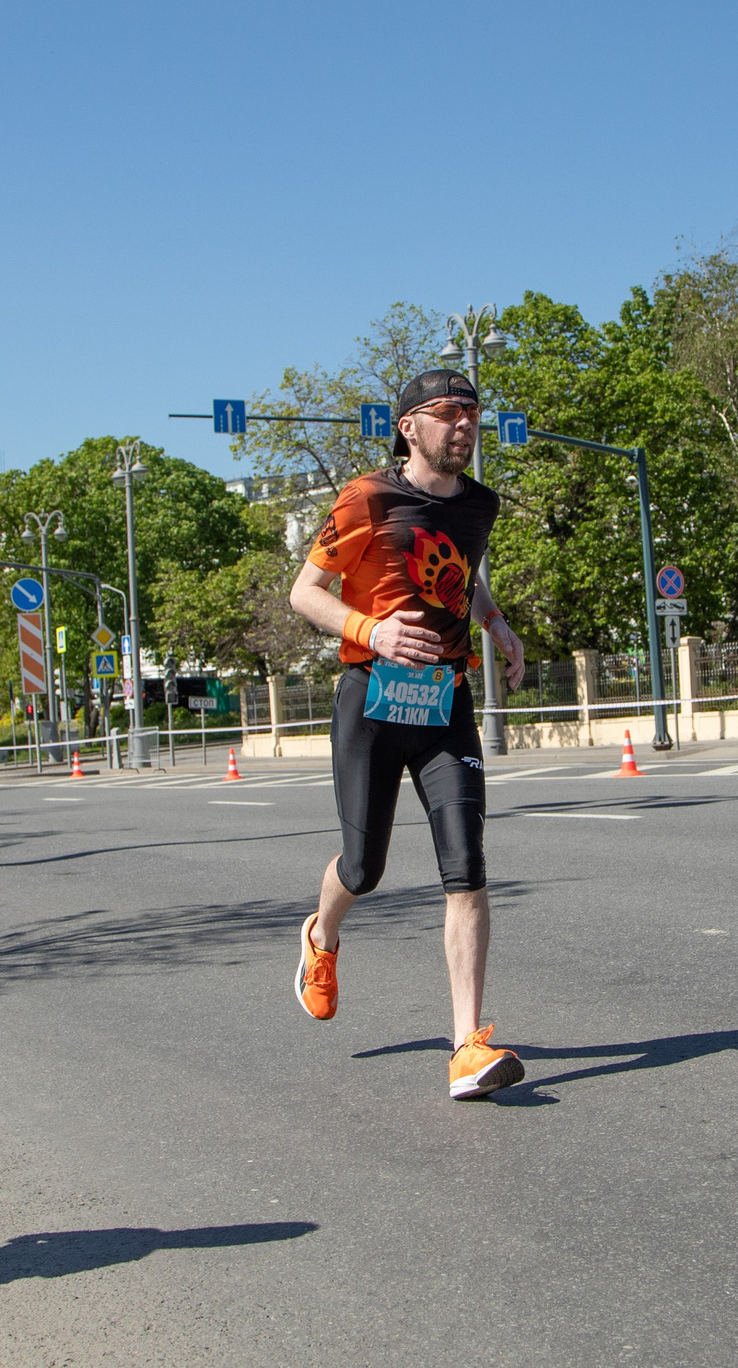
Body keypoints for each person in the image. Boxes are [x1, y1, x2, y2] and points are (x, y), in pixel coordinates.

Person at [284, 368, 528, 1103]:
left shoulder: (481, 505)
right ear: (409, 426)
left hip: (444, 699)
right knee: (364, 866)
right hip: (372, 696)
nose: (464, 425)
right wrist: (372, 629)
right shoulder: (367, 498)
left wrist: (494, 620)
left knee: (468, 866)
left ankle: (466, 1046)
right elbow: (304, 593)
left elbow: (461, 576)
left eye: (473, 414)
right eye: (449, 413)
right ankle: (321, 938)